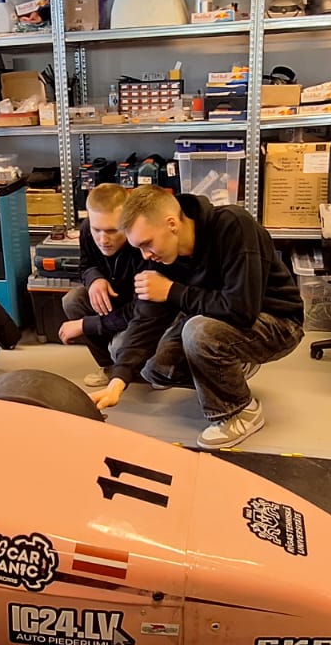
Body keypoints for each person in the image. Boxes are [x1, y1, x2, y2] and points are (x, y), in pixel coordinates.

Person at [90, 186, 304, 449]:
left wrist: (172, 291)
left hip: (277, 322)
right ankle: (230, 367)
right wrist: (118, 381)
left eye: (147, 244)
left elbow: (242, 309)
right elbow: (146, 320)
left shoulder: (234, 226)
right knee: (153, 368)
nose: (145, 255)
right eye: (139, 248)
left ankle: (239, 411)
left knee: (197, 331)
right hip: (216, 320)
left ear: (172, 224)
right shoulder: (160, 256)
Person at [58, 183, 149, 387]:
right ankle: (109, 367)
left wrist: (85, 325)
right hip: (114, 300)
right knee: (73, 300)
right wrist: (94, 279)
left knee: (119, 346)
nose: (102, 239)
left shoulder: (143, 244)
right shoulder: (87, 230)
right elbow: (85, 265)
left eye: (112, 231)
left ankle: (149, 369)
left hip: (144, 311)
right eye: (96, 229)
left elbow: (143, 309)